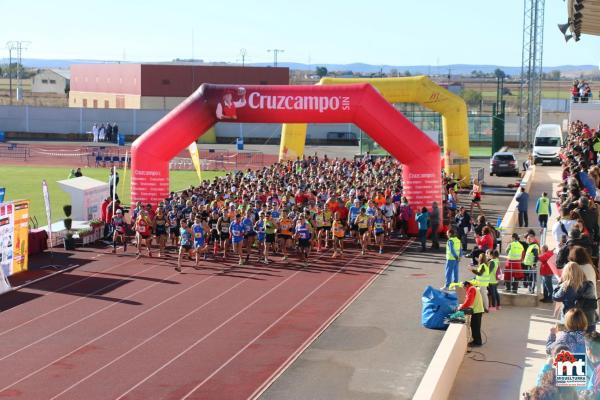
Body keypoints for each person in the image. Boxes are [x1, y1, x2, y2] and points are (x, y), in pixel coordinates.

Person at [553, 261, 597, 332]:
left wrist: (560, 284)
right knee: (589, 342)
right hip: (589, 320)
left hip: (571, 322)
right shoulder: (589, 285)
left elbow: (556, 297)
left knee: (571, 342)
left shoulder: (565, 287)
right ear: (580, 272)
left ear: (566, 273)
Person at [458, 280, 485, 347]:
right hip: (477, 310)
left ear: (467, 285)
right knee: (474, 326)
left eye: (464, 287)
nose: (464, 289)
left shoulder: (471, 289)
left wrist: (462, 307)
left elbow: (469, 301)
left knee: (475, 327)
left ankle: (477, 342)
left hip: (477, 310)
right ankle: (476, 341)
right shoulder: (473, 288)